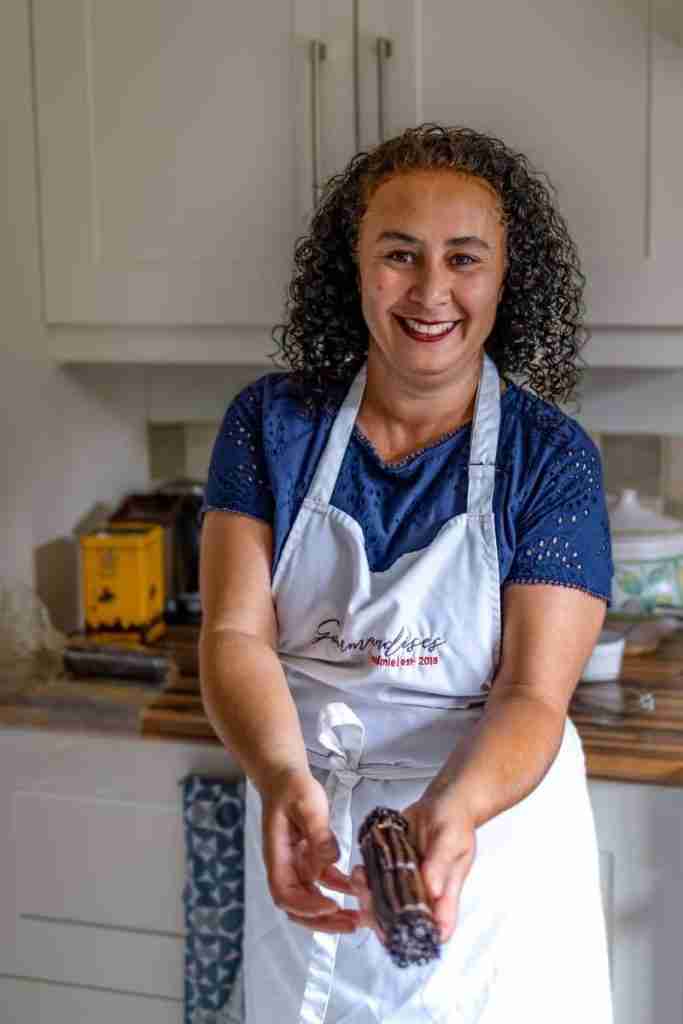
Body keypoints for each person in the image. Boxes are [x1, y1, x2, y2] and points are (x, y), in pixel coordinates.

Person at [199, 123, 614, 1023]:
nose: (431, 291)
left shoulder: (550, 460)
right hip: (307, 816)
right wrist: (279, 778)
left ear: (508, 279)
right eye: (399, 254)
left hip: (486, 841)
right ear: (351, 268)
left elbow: (531, 697)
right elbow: (235, 635)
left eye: (465, 258)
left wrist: (455, 812)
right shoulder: (272, 425)